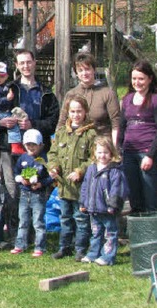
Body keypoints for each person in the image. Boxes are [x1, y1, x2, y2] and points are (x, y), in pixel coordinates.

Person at [0, 49, 59, 246]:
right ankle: (14, 236)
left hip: (36, 150)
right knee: (12, 191)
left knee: (36, 188)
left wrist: (33, 124)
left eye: (29, 62)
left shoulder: (46, 92)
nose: (26, 66)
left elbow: (53, 121)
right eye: (21, 63)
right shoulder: (7, 89)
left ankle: (37, 235)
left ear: (34, 63)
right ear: (17, 66)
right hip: (9, 149)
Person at [47, 94, 95, 261]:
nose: (76, 115)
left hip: (81, 187)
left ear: (85, 112)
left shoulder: (91, 134)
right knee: (65, 218)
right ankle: (64, 247)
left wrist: (80, 171)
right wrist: (53, 167)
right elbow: (53, 154)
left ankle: (81, 249)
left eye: (79, 111)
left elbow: (94, 158)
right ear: (67, 112)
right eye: (72, 111)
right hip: (63, 186)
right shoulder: (61, 133)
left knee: (81, 219)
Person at [118, 60, 157, 213]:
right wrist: (119, 149)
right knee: (134, 197)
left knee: (150, 197)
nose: (137, 82)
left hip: (147, 153)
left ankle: (153, 234)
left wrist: (150, 155)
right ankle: (138, 233)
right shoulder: (127, 99)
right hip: (129, 153)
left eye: (141, 78)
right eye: (134, 78)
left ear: (150, 79)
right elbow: (122, 126)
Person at [79, 136, 129, 266]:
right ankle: (93, 254)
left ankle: (108, 257)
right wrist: (83, 202)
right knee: (95, 233)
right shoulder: (91, 168)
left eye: (106, 152)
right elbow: (85, 186)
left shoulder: (115, 171)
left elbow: (118, 190)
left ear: (111, 153)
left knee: (110, 234)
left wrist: (113, 205)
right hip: (93, 208)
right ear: (95, 152)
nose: (102, 155)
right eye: (100, 152)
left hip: (108, 209)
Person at [58, 53, 120, 144]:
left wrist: (114, 149)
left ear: (94, 70)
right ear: (76, 73)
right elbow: (62, 122)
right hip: (76, 145)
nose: (84, 73)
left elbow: (116, 124)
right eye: (80, 70)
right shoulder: (71, 94)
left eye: (87, 69)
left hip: (102, 146)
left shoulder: (108, 94)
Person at [10, 129, 52, 257]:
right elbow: (16, 172)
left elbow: (51, 177)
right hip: (24, 193)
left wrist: (41, 183)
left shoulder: (44, 159)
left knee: (38, 222)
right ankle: (20, 244)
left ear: (40, 145)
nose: (31, 147)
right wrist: (20, 179)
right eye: (28, 145)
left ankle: (40, 246)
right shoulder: (22, 157)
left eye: (34, 145)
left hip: (38, 195)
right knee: (23, 220)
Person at [0, 61, 23, 155]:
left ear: (6, 76)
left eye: (1, 76)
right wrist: (7, 99)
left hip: (4, 111)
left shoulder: (6, 86)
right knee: (13, 125)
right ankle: (16, 146)